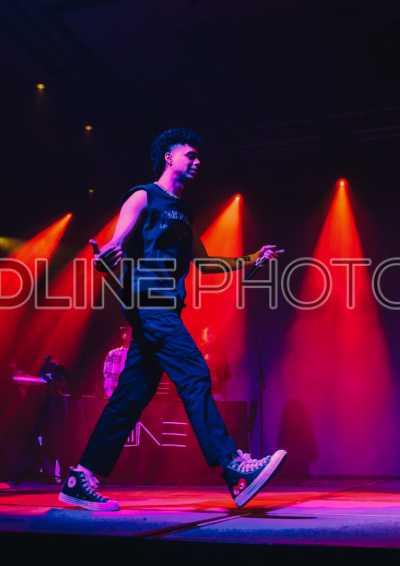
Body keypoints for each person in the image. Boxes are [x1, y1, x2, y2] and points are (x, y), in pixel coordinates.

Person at [59, 128, 286, 511]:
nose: (198, 161)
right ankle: (234, 467)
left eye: (198, 157)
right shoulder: (143, 195)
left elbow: (205, 264)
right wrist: (108, 255)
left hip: (164, 307)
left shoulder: (184, 211)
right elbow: (116, 241)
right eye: (190, 155)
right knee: (195, 374)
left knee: (131, 396)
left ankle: (81, 477)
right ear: (168, 156)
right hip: (148, 303)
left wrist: (253, 259)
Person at [198, 326, 231, 402]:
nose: (211, 336)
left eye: (213, 333)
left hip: (216, 392)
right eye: (208, 333)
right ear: (202, 336)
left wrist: (217, 377)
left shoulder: (220, 352)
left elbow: (227, 374)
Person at [103, 326, 131, 398]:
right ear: (122, 335)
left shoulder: (138, 355)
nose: (130, 336)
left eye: (132, 334)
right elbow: (107, 373)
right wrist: (110, 392)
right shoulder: (113, 354)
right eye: (127, 333)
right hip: (115, 392)